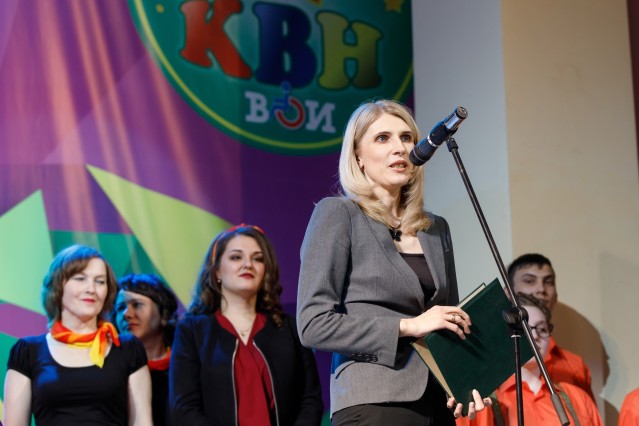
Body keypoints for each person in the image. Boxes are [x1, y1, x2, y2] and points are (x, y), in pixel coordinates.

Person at [296, 99, 491, 425]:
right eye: (382, 138)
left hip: (438, 403)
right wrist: (409, 326)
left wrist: (465, 381)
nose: (399, 148)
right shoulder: (339, 214)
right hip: (373, 401)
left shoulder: (435, 228)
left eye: (406, 137)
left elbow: (449, 318)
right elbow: (313, 325)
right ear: (358, 156)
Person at [169, 224, 324, 425]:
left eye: (257, 259)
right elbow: (183, 407)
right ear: (216, 270)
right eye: (236, 257)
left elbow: (310, 401)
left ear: (266, 270)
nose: (248, 264)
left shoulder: (290, 329)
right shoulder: (191, 331)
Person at [3, 244, 152, 425]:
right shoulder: (28, 351)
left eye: (100, 281)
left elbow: (142, 422)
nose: (91, 289)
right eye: (80, 279)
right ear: (58, 286)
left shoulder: (127, 349)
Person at [457, 293, 602, 426]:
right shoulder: (482, 403)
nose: (535, 336)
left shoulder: (579, 399)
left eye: (542, 329)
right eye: (525, 328)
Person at [508, 253, 594, 399]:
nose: (541, 288)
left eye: (548, 282)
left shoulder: (575, 366)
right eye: (529, 281)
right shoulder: (491, 361)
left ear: (556, 295)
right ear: (507, 293)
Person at [113, 273, 179, 426]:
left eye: (137, 305)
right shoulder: (110, 372)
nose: (127, 314)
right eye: (120, 308)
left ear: (164, 315)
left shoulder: (185, 367)